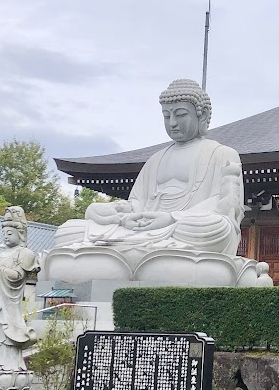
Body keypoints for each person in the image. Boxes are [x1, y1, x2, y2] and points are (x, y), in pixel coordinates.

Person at [54, 79, 244, 264]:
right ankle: (140, 252)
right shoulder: (156, 159)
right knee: (69, 230)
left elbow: (226, 206)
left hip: (182, 227)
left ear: (201, 116)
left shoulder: (222, 154)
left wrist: (171, 218)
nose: (173, 123)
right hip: (141, 227)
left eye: (180, 114)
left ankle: (124, 256)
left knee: (218, 226)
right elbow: (137, 202)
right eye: (167, 116)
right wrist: (121, 213)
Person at [0, 206, 38, 371]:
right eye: (4, 233)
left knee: (8, 334)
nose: (6, 236)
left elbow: (17, 277)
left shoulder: (25, 254)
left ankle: (10, 362)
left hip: (9, 303)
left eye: (10, 233)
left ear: (21, 234)